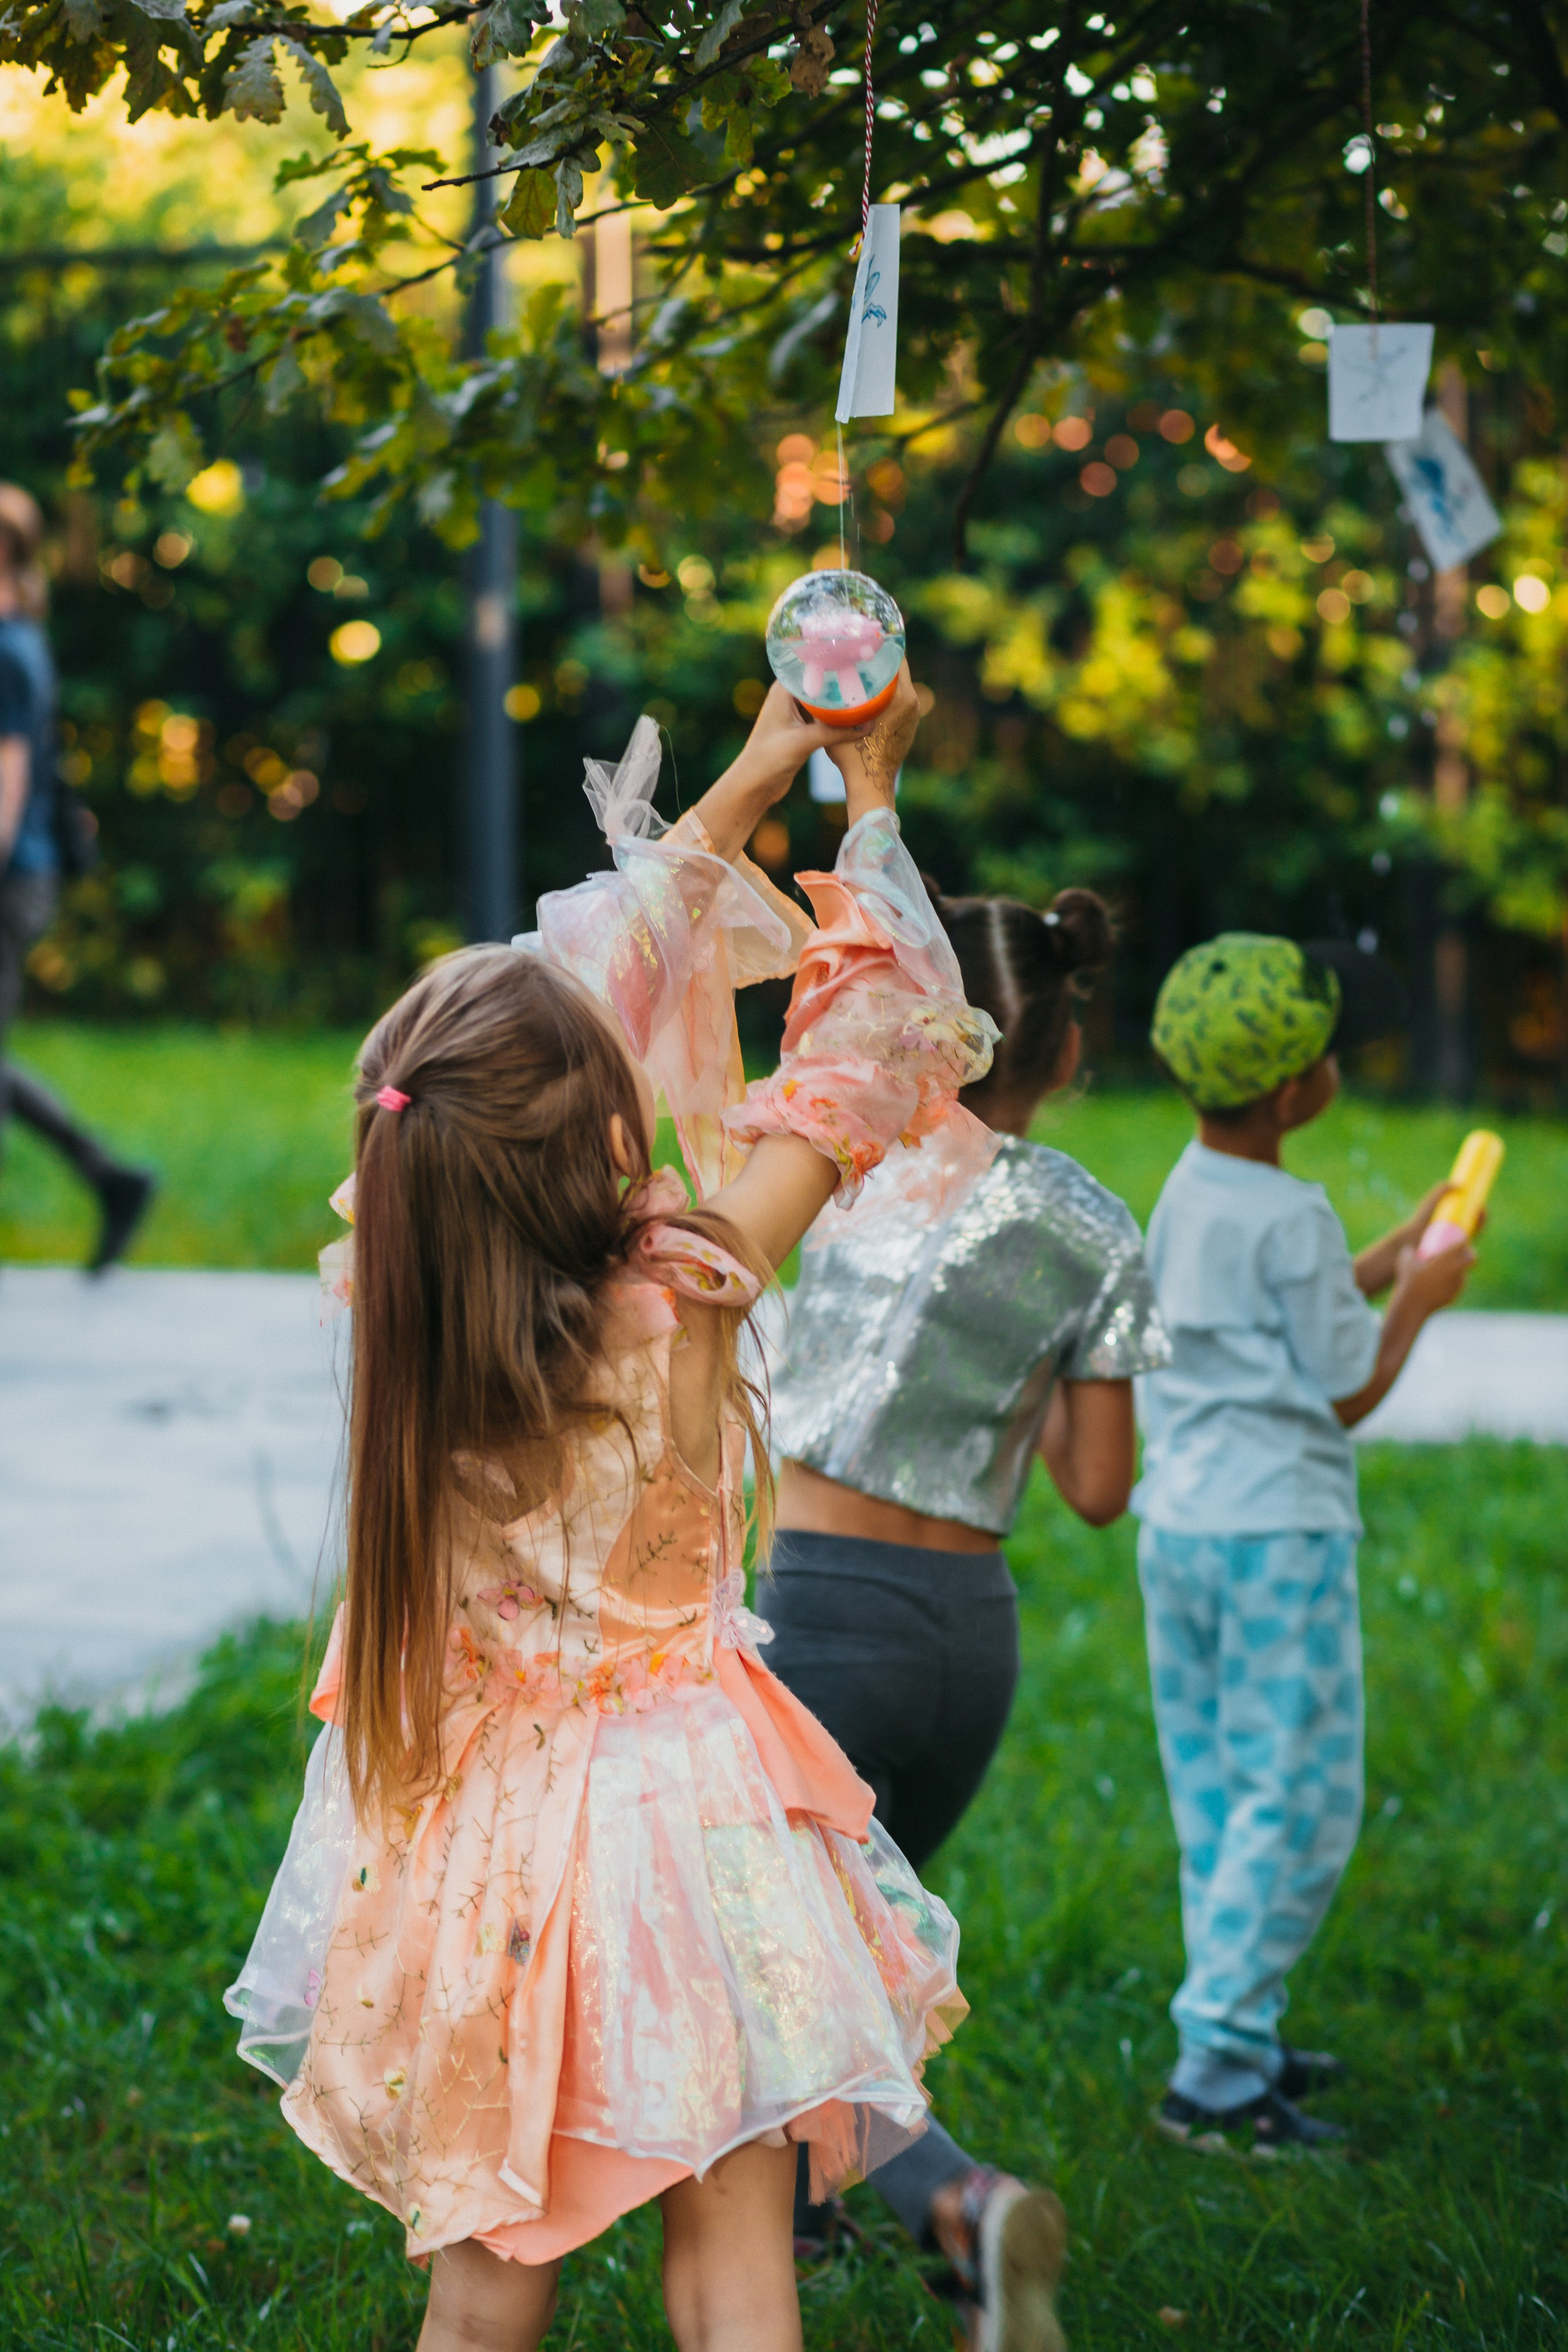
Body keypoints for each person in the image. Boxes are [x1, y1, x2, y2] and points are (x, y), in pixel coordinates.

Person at [224, 671, 1002, 2352]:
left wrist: (734, 792)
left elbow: (513, 1036)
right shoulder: (695, 1285)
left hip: (484, 1841)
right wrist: (864, 801)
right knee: (735, 2268)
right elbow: (869, 1050)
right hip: (688, 1829)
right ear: (599, 1119)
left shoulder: (395, 1283)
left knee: (489, 2279)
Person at [767, 869, 1171, 2351]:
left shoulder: (836, 1158)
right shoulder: (1091, 1223)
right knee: (833, 1945)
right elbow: (1094, 1487)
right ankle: (801, 2217)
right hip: (963, 1647)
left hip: (815, 1621)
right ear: (1065, 1049)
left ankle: (955, 2205)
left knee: (775, 1953)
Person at [1134, 932, 1474, 2154]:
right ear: (1295, 1090)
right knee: (1299, 1795)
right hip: (1276, 1536)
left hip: (1178, 1531)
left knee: (1220, 1791)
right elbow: (1341, 1387)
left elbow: (1298, 1302)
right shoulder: (1291, 1212)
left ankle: (1236, 2020)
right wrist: (1420, 1302)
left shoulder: (1190, 1186)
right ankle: (1216, 2069)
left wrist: (1396, 1250)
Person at [0, 482, 154, 1271]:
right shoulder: (22, 636)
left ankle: (111, 1177)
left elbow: (9, 777)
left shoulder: (7, 646)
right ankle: (110, 1177)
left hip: (9, 876)